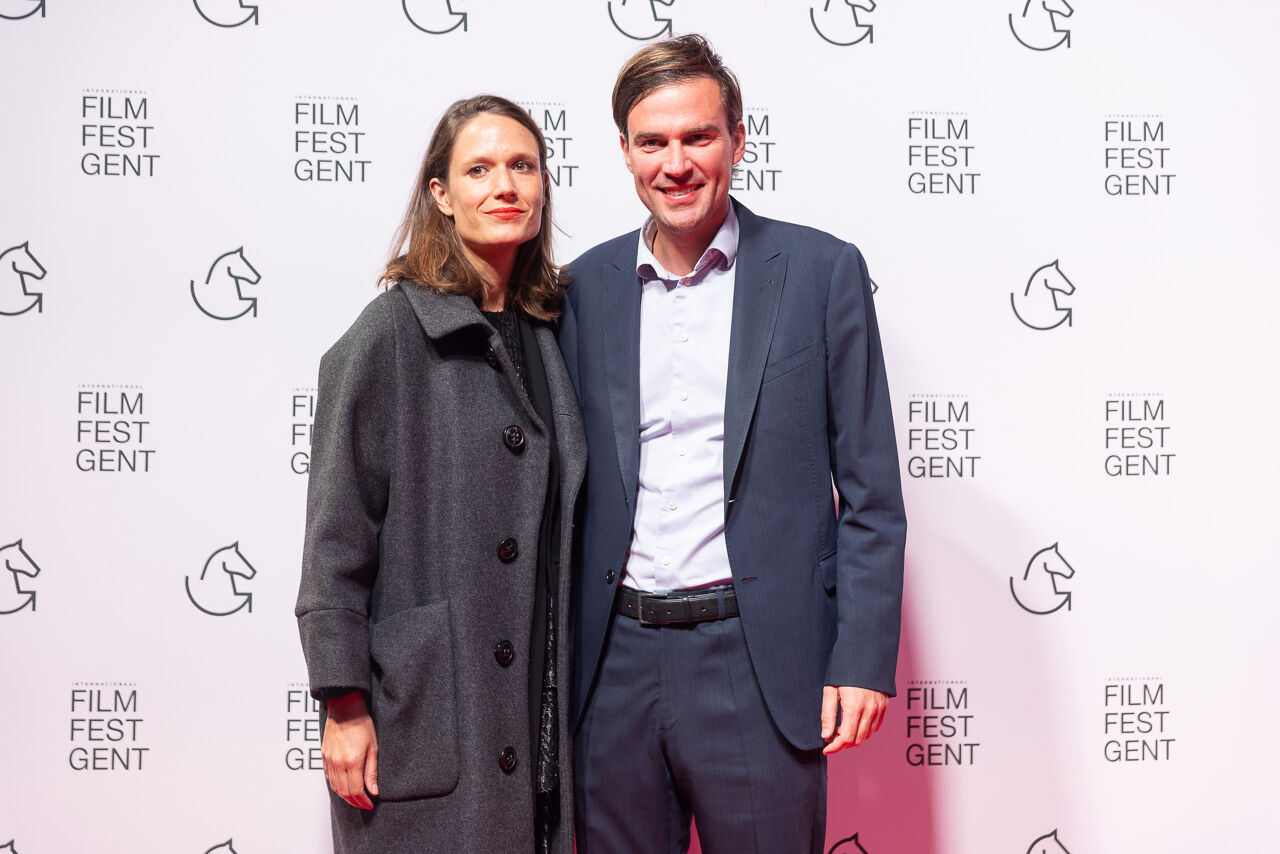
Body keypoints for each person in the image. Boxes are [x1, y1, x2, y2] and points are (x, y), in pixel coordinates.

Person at [559, 35, 906, 853]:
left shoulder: (821, 272)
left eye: (698, 137)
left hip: (757, 662)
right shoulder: (577, 291)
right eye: (653, 142)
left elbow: (871, 493)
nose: (676, 163)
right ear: (625, 153)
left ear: (739, 139)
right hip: (611, 667)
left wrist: (859, 657)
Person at [296, 94, 585, 854]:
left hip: (537, 707)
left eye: (523, 166)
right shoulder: (389, 334)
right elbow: (335, 540)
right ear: (441, 196)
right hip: (428, 706)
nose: (505, 185)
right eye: (479, 168)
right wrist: (344, 703)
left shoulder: (554, 332)